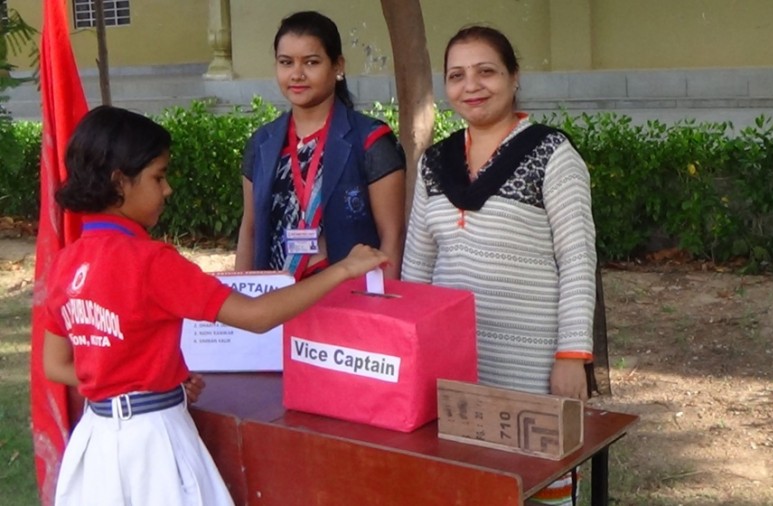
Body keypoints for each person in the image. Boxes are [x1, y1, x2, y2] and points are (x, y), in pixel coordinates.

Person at [42, 105, 388, 506]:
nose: (167, 190)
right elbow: (256, 316)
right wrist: (343, 269)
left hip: (96, 444)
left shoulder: (66, 263)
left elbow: (55, 364)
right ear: (120, 182)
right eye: (158, 176)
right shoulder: (151, 262)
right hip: (153, 446)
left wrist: (139, 380)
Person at [401, 26, 597, 505]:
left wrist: (571, 356)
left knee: (539, 479)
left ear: (514, 77)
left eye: (486, 71)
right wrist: (412, 352)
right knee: (467, 482)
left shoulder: (552, 155)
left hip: (532, 364)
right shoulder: (435, 163)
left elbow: (577, 258)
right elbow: (417, 266)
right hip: (454, 362)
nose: (471, 86)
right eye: (457, 75)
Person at [236, 10, 406, 280]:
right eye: (286, 62)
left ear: (338, 66)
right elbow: (250, 230)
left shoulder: (370, 141)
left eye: (311, 62)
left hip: (351, 294)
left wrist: (382, 300)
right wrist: (240, 296)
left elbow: (392, 236)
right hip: (276, 298)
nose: (297, 74)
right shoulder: (262, 144)